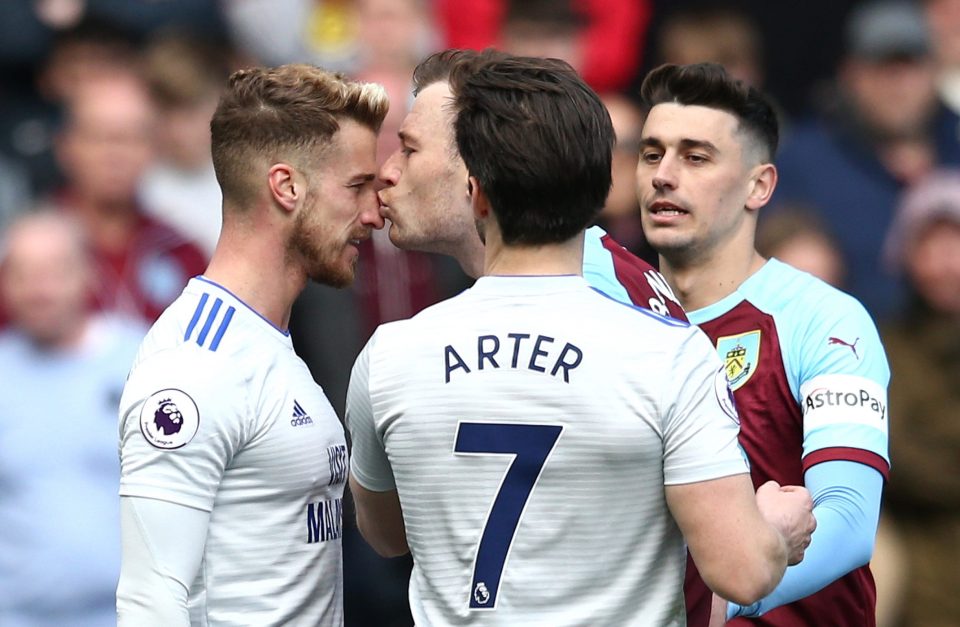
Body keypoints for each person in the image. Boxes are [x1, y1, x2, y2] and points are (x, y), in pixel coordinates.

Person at [347, 50, 815, 625]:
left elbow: (388, 535)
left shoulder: (387, 356)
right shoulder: (668, 352)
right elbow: (741, 569)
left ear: (477, 190)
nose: (387, 171)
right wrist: (775, 529)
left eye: (409, 147)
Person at [116, 63, 388, 625]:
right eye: (357, 186)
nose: (373, 214)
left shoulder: (268, 343)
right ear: (287, 186)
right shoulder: (196, 365)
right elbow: (150, 599)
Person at [636, 62, 890, 626]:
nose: (664, 175)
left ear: (760, 185)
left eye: (696, 157)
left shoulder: (825, 319)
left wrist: (719, 600)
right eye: (652, 154)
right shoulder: (610, 312)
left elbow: (847, 522)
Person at [378, 48, 685, 318]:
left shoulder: (593, 294)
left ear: (477, 163)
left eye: (409, 149)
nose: (388, 171)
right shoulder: (576, 276)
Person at [0, 211, 145, 627]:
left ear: (87, 273)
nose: (38, 290)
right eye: (22, 275)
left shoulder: (145, 360)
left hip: (129, 617)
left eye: (53, 272)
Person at [879, 169, 960, 627]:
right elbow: (895, 454)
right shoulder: (886, 346)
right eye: (933, 244)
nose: (948, 262)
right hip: (918, 549)